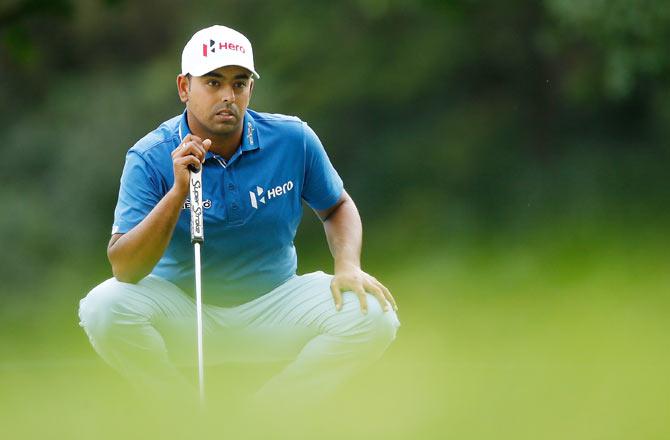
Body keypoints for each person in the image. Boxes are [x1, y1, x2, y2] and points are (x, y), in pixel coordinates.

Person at [78, 24, 400, 404]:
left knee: (374, 317)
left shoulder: (292, 139)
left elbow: (337, 206)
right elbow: (124, 268)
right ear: (184, 87)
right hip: (183, 309)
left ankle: (263, 421)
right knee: (102, 308)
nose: (228, 96)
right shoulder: (150, 155)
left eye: (239, 83)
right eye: (213, 83)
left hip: (276, 303)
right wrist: (178, 192)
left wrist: (348, 264)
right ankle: (183, 419)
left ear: (251, 88)